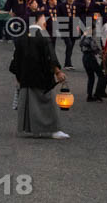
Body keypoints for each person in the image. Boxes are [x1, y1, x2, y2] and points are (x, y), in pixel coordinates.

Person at [10, 9, 68, 139]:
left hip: (25, 76)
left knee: (29, 103)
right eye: (43, 19)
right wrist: (57, 72)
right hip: (42, 75)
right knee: (48, 103)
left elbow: (16, 59)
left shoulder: (21, 37)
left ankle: (29, 129)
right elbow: (50, 56)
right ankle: (53, 129)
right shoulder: (43, 35)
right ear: (39, 19)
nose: (45, 22)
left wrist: (18, 76)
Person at [79, 27, 107, 102]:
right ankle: (97, 94)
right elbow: (95, 48)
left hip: (84, 58)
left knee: (91, 77)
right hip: (90, 58)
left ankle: (89, 96)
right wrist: (103, 54)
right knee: (101, 75)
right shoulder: (90, 39)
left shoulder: (82, 37)